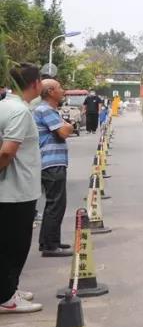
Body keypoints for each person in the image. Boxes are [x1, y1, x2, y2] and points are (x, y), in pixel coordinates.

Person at [0, 63, 44, 314]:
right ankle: (7, 298)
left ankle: (9, 289)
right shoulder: (19, 111)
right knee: (14, 247)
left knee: (6, 245)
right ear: (35, 83)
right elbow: (7, 152)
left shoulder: (5, 106)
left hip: (12, 192)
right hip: (16, 192)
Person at [34, 79, 73, 257]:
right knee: (55, 204)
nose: (63, 90)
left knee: (56, 203)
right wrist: (69, 126)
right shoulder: (46, 110)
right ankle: (50, 246)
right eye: (59, 88)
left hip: (53, 162)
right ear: (50, 91)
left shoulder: (49, 110)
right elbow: (63, 132)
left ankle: (51, 241)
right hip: (51, 163)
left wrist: (66, 126)